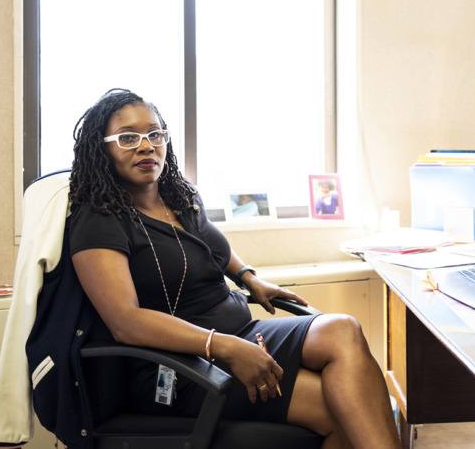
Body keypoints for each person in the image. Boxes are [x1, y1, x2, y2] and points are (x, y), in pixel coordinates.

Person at [68, 89, 401, 449]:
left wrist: (249, 278)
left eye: (155, 134)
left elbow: (216, 248)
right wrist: (223, 346)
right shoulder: (99, 221)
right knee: (345, 409)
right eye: (128, 138)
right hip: (177, 367)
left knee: (342, 329)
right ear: (102, 149)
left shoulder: (179, 197)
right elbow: (125, 321)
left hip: (239, 333)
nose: (146, 146)